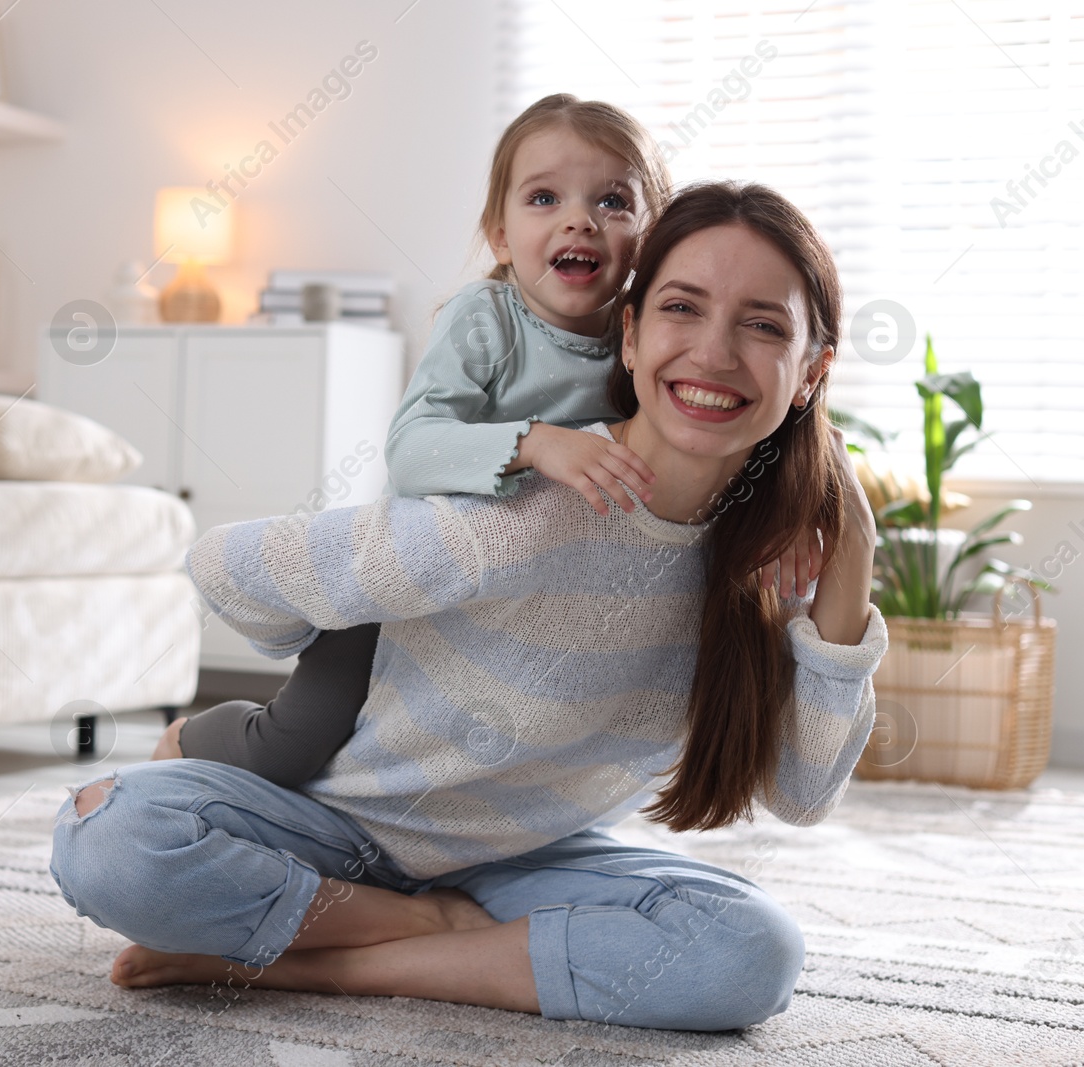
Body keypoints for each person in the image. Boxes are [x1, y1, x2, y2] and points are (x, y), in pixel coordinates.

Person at [49, 180, 885, 1031]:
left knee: (748, 952)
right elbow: (223, 565)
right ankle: (428, 931)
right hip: (337, 830)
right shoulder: (524, 509)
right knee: (110, 836)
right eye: (682, 308)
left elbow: (803, 792)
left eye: (763, 325)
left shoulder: (771, 559)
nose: (712, 353)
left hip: (528, 860)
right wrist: (328, 668)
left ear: (813, 370)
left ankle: (317, 962)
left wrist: (852, 540)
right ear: (629, 338)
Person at [161, 94, 821, 788]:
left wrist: (798, 510)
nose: (579, 219)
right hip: (405, 579)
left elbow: (750, 429)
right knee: (298, 744)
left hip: (510, 601)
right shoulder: (487, 321)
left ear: (649, 243)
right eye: (544, 197)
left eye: (614, 202)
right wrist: (536, 444)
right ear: (500, 236)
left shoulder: (651, 344)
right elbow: (411, 450)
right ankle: (190, 736)